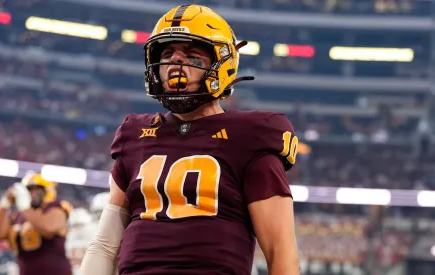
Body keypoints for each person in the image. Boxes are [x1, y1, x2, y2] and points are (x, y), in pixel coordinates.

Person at [80, 4, 300, 275]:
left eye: (192, 55)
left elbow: (280, 252)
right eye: (168, 54)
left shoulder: (250, 136)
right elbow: (105, 245)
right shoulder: (134, 135)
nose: (175, 62)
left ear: (221, 64)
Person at [0, 171, 73, 275]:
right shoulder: (18, 215)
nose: (32, 193)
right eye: (29, 190)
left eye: (37, 189)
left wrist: (25, 208)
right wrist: (5, 203)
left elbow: (47, 228)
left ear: (47, 191)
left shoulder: (56, 208)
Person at [66, 207, 93, 275]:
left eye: (80, 225)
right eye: (75, 225)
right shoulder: (69, 237)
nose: (78, 228)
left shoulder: (92, 236)